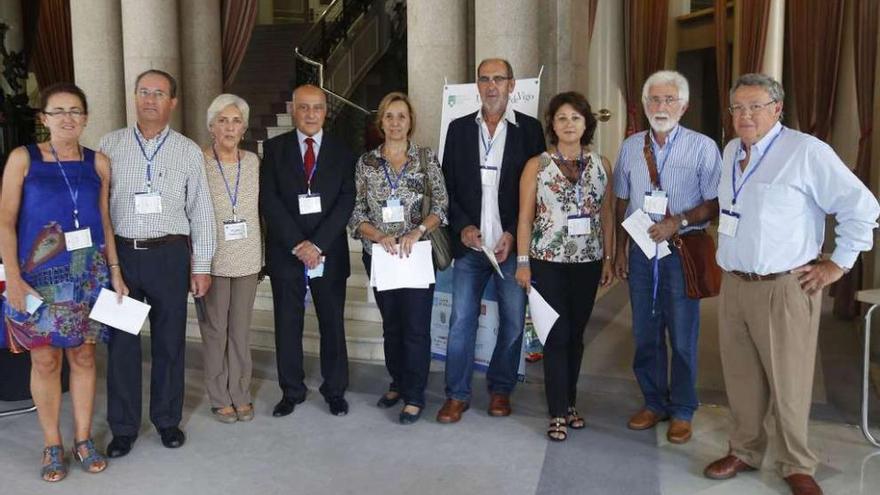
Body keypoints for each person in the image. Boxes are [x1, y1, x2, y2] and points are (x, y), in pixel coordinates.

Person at [703, 73, 880, 495]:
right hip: (735, 284)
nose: (745, 115)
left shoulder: (806, 152)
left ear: (777, 109)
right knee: (741, 378)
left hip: (784, 286)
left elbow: (863, 207)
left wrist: (838, 264)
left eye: (755, 106)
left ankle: (796, 463)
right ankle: (744, 449)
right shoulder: (730, 151)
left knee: (790, 380)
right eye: (738, 108)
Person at [0, 83, 128, 480]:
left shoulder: (98, 163)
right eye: (58, 111)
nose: (67, 118)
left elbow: (105, 222)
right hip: (37, 276)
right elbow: (5, 221)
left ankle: (84, 438)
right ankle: (52, 444)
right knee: (45, 359)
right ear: (44, 119)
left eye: (75, 110)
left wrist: (117, 273)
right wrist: (14, 280)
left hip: (88, 273)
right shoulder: (23, 159)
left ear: (86, 117)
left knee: (85, 356)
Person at [99, 70, 217, 457]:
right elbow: (99, 208)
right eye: (144, 92)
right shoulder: (109, 146)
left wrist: (201, 265)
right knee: (122, 346)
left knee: (169, 344)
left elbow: (201, 209)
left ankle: (167, 420)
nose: (150, 99)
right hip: (123, 258)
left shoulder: (187, 150)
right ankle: (123, 428)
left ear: (173, 102)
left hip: (170, 256)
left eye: (159, 93)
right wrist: (106, 262)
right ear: (135, 97)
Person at [612, 70, 722, 444]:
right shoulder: (630, 147)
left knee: (683, 334)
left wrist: (680, 220)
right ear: (644, 105)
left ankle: (683, 409)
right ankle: (653, 401)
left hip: (681, 251)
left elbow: (714, 204)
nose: (661, 107)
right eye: (654, 100)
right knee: (644, 330)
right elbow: (621, 200)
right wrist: (620, 250)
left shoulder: (704, 147)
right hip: (642, 252)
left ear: (684, 105)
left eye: (669, 100)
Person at [438, 58, 545, 423]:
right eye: (484, 79)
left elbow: (536, 192)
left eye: (499, 78)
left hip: (511, 247)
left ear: (512, 85)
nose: (492, 85)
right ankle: (457, 394)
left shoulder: (530, 130)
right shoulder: (457, 130)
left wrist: (515, 234)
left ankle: (501, 389)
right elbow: (446, 188)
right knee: (461, 321)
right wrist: (463, 226)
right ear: (477, 86)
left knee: (513, 321)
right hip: (471, 248)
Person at [514, 91, 614, 441]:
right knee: (555, 337)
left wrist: (609, 258)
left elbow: (606, 215)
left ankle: (570, 404)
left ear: (586, 123)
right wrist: (523, 262)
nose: (568, 124)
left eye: (575, 117)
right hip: (547, 263)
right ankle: (557, 411)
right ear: (552, 125)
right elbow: (525, 219)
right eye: (561, 118)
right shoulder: (537, 166)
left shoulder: (601, 164)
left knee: (575, 336)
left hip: (587, 263)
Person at [349, 92, 448, 424]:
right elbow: (356, 212)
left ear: (410, 122)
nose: (395, 122)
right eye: (389, 116)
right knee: (391, 326)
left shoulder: (425, 158)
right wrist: (379, 236)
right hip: (380, 256)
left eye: (401, 116)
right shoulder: (366, 163)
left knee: (416, 327)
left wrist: (416, 232)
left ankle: (415, 395)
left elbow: (441, 206)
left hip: (417, 254)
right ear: (381, 122)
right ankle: (398, 382)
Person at [260, 84, 356, 418]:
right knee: (287, 325)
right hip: (287, 254)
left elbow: (347, 200)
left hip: (328, 253)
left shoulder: (344, 151)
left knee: (332, 324)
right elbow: (268, 200)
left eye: (316, 107)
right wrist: (298, 244)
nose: (311, 114)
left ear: (326, 110)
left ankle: (334, 390)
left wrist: (316, 245)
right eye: (304, 107)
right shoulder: (273, 149)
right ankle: (292, 390)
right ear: (292, 110)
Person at [197, 94, 262, 423]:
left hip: (248, 257)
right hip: (214, 259)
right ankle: (219, 394)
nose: (230, 127)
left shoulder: (253, 162)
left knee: (240, 329)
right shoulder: (199, 162)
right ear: (211, 127)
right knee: (215, 330)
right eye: (222, 120)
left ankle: (240, 391)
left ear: (245, 127)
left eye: (236, 121)